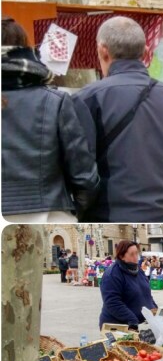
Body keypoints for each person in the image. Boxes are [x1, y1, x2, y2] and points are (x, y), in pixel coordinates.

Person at [73, 16, 163, 222]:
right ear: (146, 52)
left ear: (103, 50)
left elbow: (78, 170)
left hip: (108, 216)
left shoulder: (85, 99)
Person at [2, 17, 99, 221]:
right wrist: (74, 211)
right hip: (47, 213)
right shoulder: (55, 102)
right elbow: (84, 176)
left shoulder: (56, 101)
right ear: (25, 49)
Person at [99, 241, 157, 330]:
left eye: (136, 253)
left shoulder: (139, 271)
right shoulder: (112, 274)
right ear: (122, 256)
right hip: (119, 326)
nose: (135, 257)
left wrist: (155, 309)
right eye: (132, 254)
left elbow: (147, 295)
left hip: (140, 324)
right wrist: (132, 320)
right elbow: (112, 302)